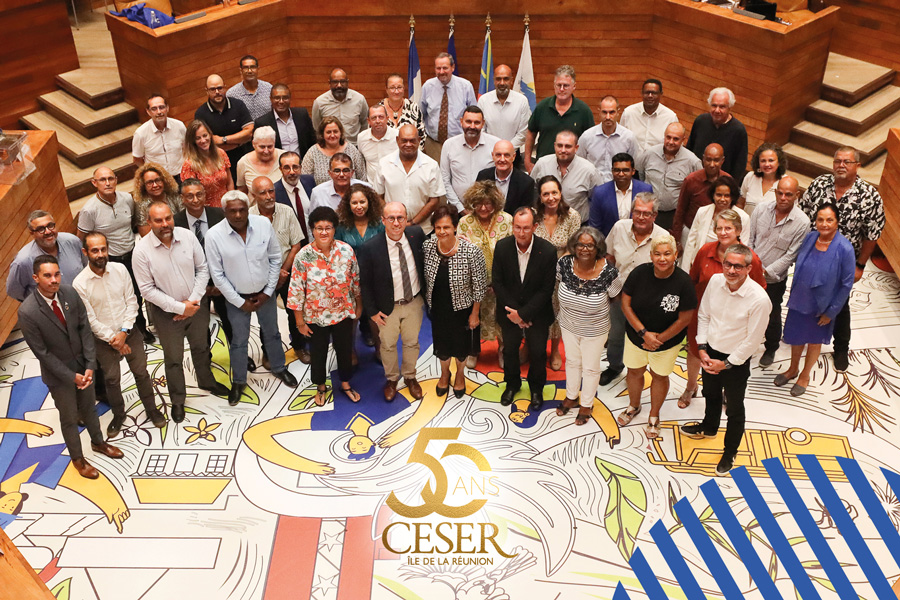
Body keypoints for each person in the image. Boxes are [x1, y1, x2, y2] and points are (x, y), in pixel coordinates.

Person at [18, 256, 125, 480]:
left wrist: (89, 365)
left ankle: (98, 443)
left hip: (84, 368)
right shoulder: (27, 312)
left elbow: (84, 327)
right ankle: (77, 458)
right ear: (35, 278)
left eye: (57, 274)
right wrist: (71, 376)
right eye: (47, 275)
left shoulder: (69, 293)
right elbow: (42, 353)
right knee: (69, 418)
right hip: (59, 377)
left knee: (90, 409)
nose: (54, 280)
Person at [133, 201, 228, 423]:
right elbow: (146, 289)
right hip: (166, 315)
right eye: (158, 220)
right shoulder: (141, 251)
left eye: (168, 218)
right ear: (149, 222)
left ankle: (206, 381)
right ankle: (177, 400)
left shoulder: (187, 236)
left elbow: (202, 268)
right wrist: (180, 308)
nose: (165, 224)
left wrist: (192, 302)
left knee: (202, 347)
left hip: (196, 306)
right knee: (173, 359)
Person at [681, 244, 771, 474]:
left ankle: (730, 451)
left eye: (738, 266)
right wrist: (702, 347)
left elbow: (753, 340)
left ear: (749, 268)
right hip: (710, 352)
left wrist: (728, 363)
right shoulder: (714, 281)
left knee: (734, 408)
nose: (731, 270)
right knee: (710, 394)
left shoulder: (759, 299)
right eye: (727, 264)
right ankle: (709, 427)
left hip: (735, 362)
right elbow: (704, 315)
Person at [205, 191, 299, 406]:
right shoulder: (214, 235)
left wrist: (268, 292)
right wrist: (240, 302)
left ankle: (279, 368)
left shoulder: (263, 225)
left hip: (265, 293)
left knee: (273, 333)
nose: (238, 215)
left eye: (242, 209)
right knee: (238, 341)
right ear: (224, 211)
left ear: (248, 208)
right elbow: (217, 274)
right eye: (232, 211)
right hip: (236, 299)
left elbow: (276, 258)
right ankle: (238, 381)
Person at [798, 146, 885, 372]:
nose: (841, 165)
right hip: (814, 256)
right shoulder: (819, 185)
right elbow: (802, 216)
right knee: (807, 297)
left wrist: (860, 265)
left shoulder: (869, 195)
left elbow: (872, 234)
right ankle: (803, 337)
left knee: (840, 304)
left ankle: (841, 348)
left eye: (847, 162)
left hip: (844, 262)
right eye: (838, 161)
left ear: (857, 165)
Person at [73, 232, 165, 434]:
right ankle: (119, 414)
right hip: (103, 342)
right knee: (112, 380)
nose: (100, 254)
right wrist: (113, 340)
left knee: (141, 373)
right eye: (95, 250)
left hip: (130, 333)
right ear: (85, 252)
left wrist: (123, 332)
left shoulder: (121, 269)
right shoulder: (79, 283)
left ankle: (152, 410)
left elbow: (132, 302)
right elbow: (90, 319)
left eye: (103, 249)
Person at [682, 210, 765, 409]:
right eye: (719, 228)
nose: (722, 232)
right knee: (695, 352)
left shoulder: (750, 258)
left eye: (728, 228)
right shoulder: (705, 251)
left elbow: (759, 289)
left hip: (734, 320)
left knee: (728, 357)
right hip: (704, 314)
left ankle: (727, 392)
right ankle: (691, 386)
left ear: (738, 230)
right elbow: (693, 279)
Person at [616, 234, 695, 437]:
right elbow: (625, 303)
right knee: (634, 372)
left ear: (675, 255)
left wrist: (658, 339)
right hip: (636, 337)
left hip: (667, 343)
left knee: (660, 376)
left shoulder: (684, 282)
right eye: (657, 254)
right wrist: (643, 333)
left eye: (667, 254)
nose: (662, 258)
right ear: (651, 256)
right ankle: (634, 406)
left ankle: (654, 414)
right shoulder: (639, 273)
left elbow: (685, 318)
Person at [775, 203, 854, 396]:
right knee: (796, 337)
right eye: (820, 219)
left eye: (829, 220)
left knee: (813, 340)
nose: (824, 224)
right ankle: (793, 368)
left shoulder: (845, 248)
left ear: (837, 222)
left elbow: (846, 284)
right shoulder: (810, 238)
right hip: (800, 299)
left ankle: (804, 375)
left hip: (822, 306)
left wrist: (831, 312)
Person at [288, 206, 362, 405]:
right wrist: (299, 322)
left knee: (345, 350)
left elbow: (355, 281)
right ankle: (320, 386)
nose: (323, 232)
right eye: (319, 227)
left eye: (328, 227)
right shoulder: (303, 256)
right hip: (315, 317)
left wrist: (359, 306)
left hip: (343, 313)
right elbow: (295, 291)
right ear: (312, 229)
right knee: (318, 353)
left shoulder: (346, 251)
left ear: (334, 229)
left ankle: (345, 383)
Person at [358, 201, 426, 402]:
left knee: (412, 342)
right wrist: (371, 311)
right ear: (383, 220)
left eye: (400, 218)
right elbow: (365, 283)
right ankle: (392, 379)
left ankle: (410, 377)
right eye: (391, 218)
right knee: (387, 345)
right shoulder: (370, 247)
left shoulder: (417, 236)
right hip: (387, 308)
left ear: (406, 219)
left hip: (414, 302)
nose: (396, 223)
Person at [172, 178, 244, 367]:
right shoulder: (175, 223)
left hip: (223, 282)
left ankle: (241, 357)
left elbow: (232, 248)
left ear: (205, 195)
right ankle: (205, 362)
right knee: (199, 328)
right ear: (182, 198)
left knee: (231, 322)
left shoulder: (219, 215)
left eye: (199, 194)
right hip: (194, 286)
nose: (195, 200)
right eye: (190, 196)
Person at [555, 227, 622, 425]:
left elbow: (616, 296)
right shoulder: (564, 264)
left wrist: (592, 310)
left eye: (590, 245)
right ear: (574, 247)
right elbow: (558, 284)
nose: (585, 249)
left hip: (595, 330)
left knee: (591, 368)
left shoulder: (608, 271)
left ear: (598, 247)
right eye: (580, 245)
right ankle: (571, 396)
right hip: (567, 324)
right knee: (572, 362)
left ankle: (586, 404)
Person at [601, 193, 670, 386]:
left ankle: (638, 372)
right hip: (619, 295)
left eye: (646, 214)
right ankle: (615, 367)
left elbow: (667, 270)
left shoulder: (664, 237)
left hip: (648, 300)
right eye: (637, 212)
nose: (641, 217)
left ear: (655, 215)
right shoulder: (619, 227)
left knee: (642, 337)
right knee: (615, 335)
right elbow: (609, 257)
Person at [78, 167, 152, 344]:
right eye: (102, 179)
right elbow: (83, 238)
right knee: (119, 297)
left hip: (133, 254)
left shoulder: (127, 199)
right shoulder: (89, 210)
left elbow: (133, 222)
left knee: (137, 293)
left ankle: (141, 327)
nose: (107, 182)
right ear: (94, 183)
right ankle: (122, 332)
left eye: (110, 178)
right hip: (110, 260)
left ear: (116, 180)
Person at [493, 207, 557, 410]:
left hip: (537, 313)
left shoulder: (547, 251)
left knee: (538, 353)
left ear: (535, 227)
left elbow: (547, 289)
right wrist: (515, 314)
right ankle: (512, 385)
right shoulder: (502, 247)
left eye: (526, 228)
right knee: (509, 350)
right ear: (512, 227)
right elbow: (498, 283)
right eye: (518, 228)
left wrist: (524, 314)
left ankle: (536, 389)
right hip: (509, 313)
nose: (521, 232)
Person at [422, 205, 487, 397]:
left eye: (446, 227)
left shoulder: (471, 251)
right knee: (441, 346)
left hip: (463, 309)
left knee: (461, 347)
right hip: (438, 308)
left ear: (456, 227)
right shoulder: (428, 247)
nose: (442, 232)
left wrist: (475, 314)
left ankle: (460, 375)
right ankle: (444, 375)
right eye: (438, 227)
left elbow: (479, 286)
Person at [745, 176, 809, 366]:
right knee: (745, 311)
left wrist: (764, 272)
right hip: (748, 273)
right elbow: (749, 239)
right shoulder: (761, 209)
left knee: (771, 315)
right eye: (779, 193)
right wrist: (750, 266)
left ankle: (771, 347)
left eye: (788, 194)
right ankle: (744, 345)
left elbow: (791, 255)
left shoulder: (802, 222)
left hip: (773, 280)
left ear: (796, 195)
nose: (783, 197)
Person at [248, 176, 305, 369]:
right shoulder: (247, 218)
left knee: (295, 312)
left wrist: (283, 271)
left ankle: (299, 346)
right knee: (267, 317)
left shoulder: (286, 211)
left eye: (271, 191)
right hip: (262, 277)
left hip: (287, 273)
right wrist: (272, 275)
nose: (268, 196)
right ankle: (269, 352)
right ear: (253, 195)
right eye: (263, 192)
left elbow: (296, 244)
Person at [457, 181, 513, 369]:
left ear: (495, 203)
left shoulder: (506, 220)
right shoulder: (465, 223)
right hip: (473, 283)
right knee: (473, 318)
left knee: (502, 318)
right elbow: (460, 253)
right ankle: (473, 350)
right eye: (478, 203)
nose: (483, 207)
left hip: (502, 281)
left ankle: (502, 349)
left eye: (488, 203)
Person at [534, 175, 581, 370]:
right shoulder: (533, 215)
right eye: (546, 194)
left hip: (562, 274)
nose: (551, 197)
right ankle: (530, 347)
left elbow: (573, 247)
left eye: (554, 192)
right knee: (534, 312)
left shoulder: (572, 216)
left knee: (557, 312)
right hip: (535, 274)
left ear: (560, 193)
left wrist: (558, 269)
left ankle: (554, 350)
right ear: (540, 197)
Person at [336, 183, 385, 353]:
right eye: (354, 203)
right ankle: (350, 353)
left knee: (375, 317)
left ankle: (380, 350)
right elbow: (337, 254)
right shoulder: (342, 227)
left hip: (374, 278)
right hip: (349, 279)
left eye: (362, 202)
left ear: (369, 202)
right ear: (348, 205)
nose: (359, 207)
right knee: (352, 318)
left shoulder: (379, 224)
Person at [372, 123, 445, 234]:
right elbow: (378, 196)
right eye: (404, 140)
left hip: (423, 230)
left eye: (412, 140)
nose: (408, 144)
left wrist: (412, 223)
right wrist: (393, 218)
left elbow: (434, 201)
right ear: (397, 140)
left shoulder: (431, 165)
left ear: (419, 140)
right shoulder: (384, 163)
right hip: (392, 229)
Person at [524, 65, 595, 171]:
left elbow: (591, 141)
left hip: (574, 169)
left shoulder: (583, 110)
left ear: (574, 86)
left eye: (566, 85)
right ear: (554, 85)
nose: (561, 89)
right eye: (559, 85)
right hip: (544, 168)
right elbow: (530, 134)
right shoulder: (542, 107)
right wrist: (527, 161)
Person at [7, 211, 85, 302]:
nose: (48, 231)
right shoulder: (23, 261)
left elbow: (87, 267)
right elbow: (14, 291)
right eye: (41, 229)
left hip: (82, 303)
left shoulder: (73, 241)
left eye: (50, 226)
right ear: (32, 233)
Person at [636, 122, 701, 230]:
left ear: (683, 140)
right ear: (664, 136)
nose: (671, 142)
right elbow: (640, 174)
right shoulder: (649, 153)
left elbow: (698, 188)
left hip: (673, 216)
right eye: (668, 137)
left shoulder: (692, 162)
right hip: (647, 212)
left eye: (676, 139)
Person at [681, 175, 749, 271]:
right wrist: (686, 270)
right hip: (700, 266)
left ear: (733, 196)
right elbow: (691, 242)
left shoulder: (743, 217)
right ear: (713, 195)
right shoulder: (702, 211)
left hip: (728, 268)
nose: (722, 199)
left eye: (726, 195)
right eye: (719, 195)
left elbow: (743, 247)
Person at [530, 130, 601, 223]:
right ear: (554, 145)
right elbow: (531, 190)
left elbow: (598, 199)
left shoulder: (589, 170)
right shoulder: (542, 164)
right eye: (559, 146)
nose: (563, 150)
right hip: (545, 224)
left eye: (568, 146)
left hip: (578, 227)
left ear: (576, 148)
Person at [440, 106, 500, 212]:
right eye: (468, 121)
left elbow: (501, 178)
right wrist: (461, 209)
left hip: (488, 210)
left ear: (483, 123)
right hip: (457, 209)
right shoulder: (449, 145)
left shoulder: (495, 144)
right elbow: (445, 180)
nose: (472, 126)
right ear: (461, 121)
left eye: (477, 122)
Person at [420, 52, 477, 161]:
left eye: (445, 68)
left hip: (459, 143)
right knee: (435, 175)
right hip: (433, 144)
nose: (441, 72)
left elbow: (474, 115)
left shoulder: (465, 87)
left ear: (453, 67)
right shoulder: (428, 86)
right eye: (438, 68)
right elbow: (420, 115)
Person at [194, 74, 254, 178]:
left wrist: (223, 140)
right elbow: (206, 141)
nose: (217, 92)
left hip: (244, 159)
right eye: (213, 89)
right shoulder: (201, 113)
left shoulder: (238, 105)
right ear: (207, 91)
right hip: (217, 164)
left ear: (225, 87)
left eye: (219, 88)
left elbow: (249, 132)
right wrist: (238, 141)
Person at [671, 143, 730, 248]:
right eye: (708, 159)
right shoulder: (691, 180)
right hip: (691, 232)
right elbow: (680, 209)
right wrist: (677, 239)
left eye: (716, 160)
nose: (712, 164)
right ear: (703, 159)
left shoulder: (728, 181)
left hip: (716, 235)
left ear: (722, 161)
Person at [686, 87, 748, 180]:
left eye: (722, 107)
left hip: (721, 186)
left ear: (730, 108)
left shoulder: (738, 130)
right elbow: (689, 150)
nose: (717, 110)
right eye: (714, 105)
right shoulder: (700, 121)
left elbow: (739, 166)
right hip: (695, 180)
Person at [576, 96, 638, 185]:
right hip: (593, 187)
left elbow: (633, 165)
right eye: (604, 112)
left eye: (612, 112)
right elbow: (579, 163)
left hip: (619, 187)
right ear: (599, 112)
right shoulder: (587, 136)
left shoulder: (629, 137)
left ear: (618, 112)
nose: (608, 117)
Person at [588, 152, 653, 236]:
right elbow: (594, 226)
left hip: (638, 239)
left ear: (633, 171)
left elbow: (650, 220)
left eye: (625, 170)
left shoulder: (645, 189)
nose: (621, 174)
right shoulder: (600, 192)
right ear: (612, 171)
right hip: (609, 242)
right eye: (617, 170)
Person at [180, 119, 234, 208]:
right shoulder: (189, 164)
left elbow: (229, 181)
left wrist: (232, 200)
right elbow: (191, 194)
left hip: (227, 203)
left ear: (210, 134)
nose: (203, 140)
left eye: (205, 135)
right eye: (198, 138)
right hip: (206, 209)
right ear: (193, 141)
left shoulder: (221, 153)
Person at [477, 64, 531, 152]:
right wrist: (495, 149)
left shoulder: (522, 101)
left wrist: (506, 150)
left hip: (513, 154)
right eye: (498, 79)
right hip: (488, 152)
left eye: (506, 79)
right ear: (494, 81)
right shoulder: (483, 100)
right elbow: (481, 130)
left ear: (511, 81)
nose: (502, 83)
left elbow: (523, 133)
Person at [253, 83, 315, 156]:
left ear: (290, 98)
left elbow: (312, 140)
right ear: (271, 99)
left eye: (285, 98)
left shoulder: (302, 115)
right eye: (277, 98)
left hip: (302, 163)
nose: (281, 101)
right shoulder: (262, 123)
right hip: (277, 165)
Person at [301, 116, 367, 185]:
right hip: (322, 194)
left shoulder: (352, 150)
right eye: (328, 132)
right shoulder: (312, 153)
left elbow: (362, 178)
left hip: (350, 194)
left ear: (340, 133)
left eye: (335, 131)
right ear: (322, 134)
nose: (332, 135)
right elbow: (304, 179)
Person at [132, 93, 186, 176]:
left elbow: (187, 149)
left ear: (167, 108)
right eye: (154, 109)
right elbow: (137, 159)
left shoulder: (179, 126)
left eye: (162, 107)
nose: (159, 112)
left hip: (181, 174)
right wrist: (150, 174)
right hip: (159, 179)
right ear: (148, 112)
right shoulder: (140, 133)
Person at [475, 140, 535, 214]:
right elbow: (477, 205)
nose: (502, 159)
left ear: (513, 157)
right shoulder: (483, 176)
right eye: (498, 155)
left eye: (506, 155)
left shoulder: (526, 182)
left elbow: (525, 214)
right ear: (493, 156)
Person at [311, 68, 369, 144]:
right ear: (329, 83)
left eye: (342, 82)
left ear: (347, 82)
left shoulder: (359, 100)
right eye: (335, 82)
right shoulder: (320, 102)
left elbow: (365, 123)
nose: (339, 85)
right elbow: (317, 127)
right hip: (330, 148)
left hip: (354, 146)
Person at [620, 78, 679, 153]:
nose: (650, 96)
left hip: (658, 163)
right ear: (642, 93)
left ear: (661, 94)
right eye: (647, 93)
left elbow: (676, 146)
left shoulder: (670, 117)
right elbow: (620, 140)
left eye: (654, 93)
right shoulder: (629, 113)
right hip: (632, 163)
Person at [274, 151, 316, 249]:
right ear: (280, 169)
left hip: (314, 243)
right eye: (287, 168)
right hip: (292, 247)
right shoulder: (275, 192)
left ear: (301, 168)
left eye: (295, 167)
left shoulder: (309, 181)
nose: (292, 172)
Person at [132, 162, 182, 236]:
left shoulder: (173, 196)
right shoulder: (141, 206)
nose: (155, 185)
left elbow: (184, 221)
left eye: (158, 180)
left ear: (164, 181)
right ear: (143, 186)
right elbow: (145, 234)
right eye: (150, 182)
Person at [378, 73, 425, 149]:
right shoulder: (379, 109)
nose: (396, 91)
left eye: (399, 87)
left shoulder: (413, 108)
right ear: (386, 89)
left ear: (404, 88)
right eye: (392, 88)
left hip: (410, 154)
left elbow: (421, 136)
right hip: (385, 155)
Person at [739, 142, 786, 215]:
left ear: (779, 162)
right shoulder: (750, 177)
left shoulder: (786, 182)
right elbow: (740, 204)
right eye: (763, 161)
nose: (767, 164)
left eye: (771, 160)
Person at [235, 126, 283, 192]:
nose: (266, 151)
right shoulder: (243, 162)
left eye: (270, 146)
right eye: (262, 147)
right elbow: (242, 191)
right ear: (253, 144)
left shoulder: (284, 158)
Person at [357, 105, 398, 182]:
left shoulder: (397, 136)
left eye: (381, 117)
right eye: (373, 118)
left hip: (393, 185)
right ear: (368, 121)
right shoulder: (361, 138)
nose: (378, 121)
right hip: (371, 187)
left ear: (387, 118)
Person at [226, 55, 273, 121]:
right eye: (246, 68)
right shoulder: (232, 94)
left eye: (253, 67)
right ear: (241, 70)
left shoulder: (269, 88)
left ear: (258, 69)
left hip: (268, 130)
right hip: (246, 130)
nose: (249, 71)